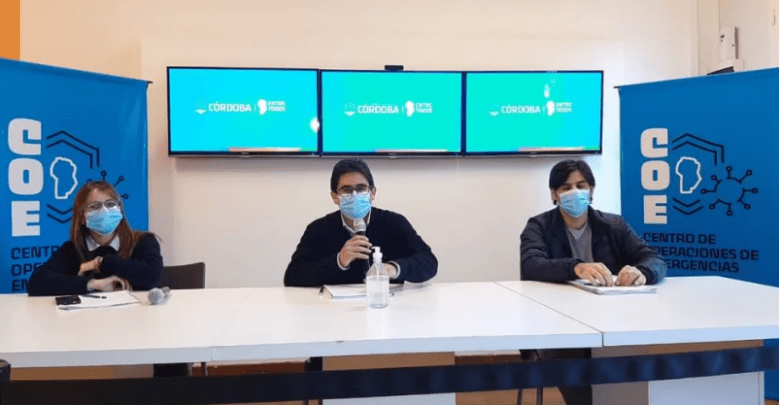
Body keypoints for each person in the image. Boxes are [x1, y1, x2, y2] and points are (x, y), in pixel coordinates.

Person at [520, 159, 666, 405]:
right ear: (554, 194)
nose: (575, 192)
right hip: (561, 325)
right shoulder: (539, 226)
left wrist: (643, 272)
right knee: (578, 371)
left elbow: (654, 259)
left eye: (581, 185)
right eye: (566, 187)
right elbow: (531, 265)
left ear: (591, 190)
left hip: (612, 323)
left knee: (630, 361)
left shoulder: (614, 225)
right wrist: (576, 267)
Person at [284, 158, 437, 287]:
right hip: (335, 309)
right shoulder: (318, 229)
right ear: (335, 196)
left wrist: (392, 269)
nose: (355, 195)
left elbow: (429, 262)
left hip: (384, 305)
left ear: (372, 193)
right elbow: (293, 276)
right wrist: (339, 261)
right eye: (346, 190)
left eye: (361, 188)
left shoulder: (394, 223)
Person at [27, 181, 162, 296]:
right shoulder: (73, 249)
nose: (104, 211)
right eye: (95, 206)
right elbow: (36, 283)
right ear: (82, 217)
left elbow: (153, 276)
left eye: (110, 204)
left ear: (120, 209)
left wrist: (102, 263)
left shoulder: (142, 241)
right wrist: (93, 284)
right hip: (87, 317)